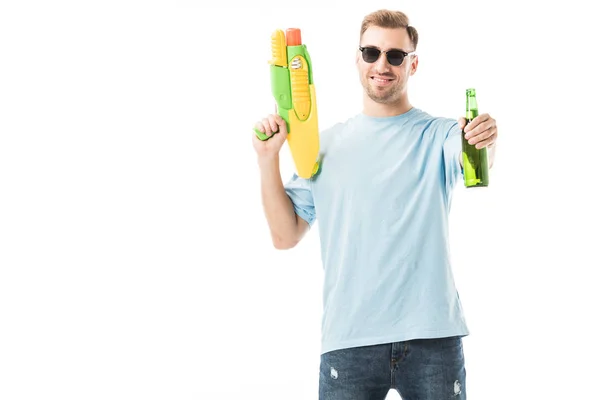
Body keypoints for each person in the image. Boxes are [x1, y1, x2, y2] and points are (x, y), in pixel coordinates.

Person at [252, 9, 497, 400]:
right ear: (357, 58)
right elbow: (284, 236)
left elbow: (470, 150)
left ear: (412, 64)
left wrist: (482, 137)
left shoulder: (440, 135)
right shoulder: (322, 147)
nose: (382, 64)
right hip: (348, 341)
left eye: (395, 56)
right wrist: (267, 160)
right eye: (371, 52)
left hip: (432, 338)